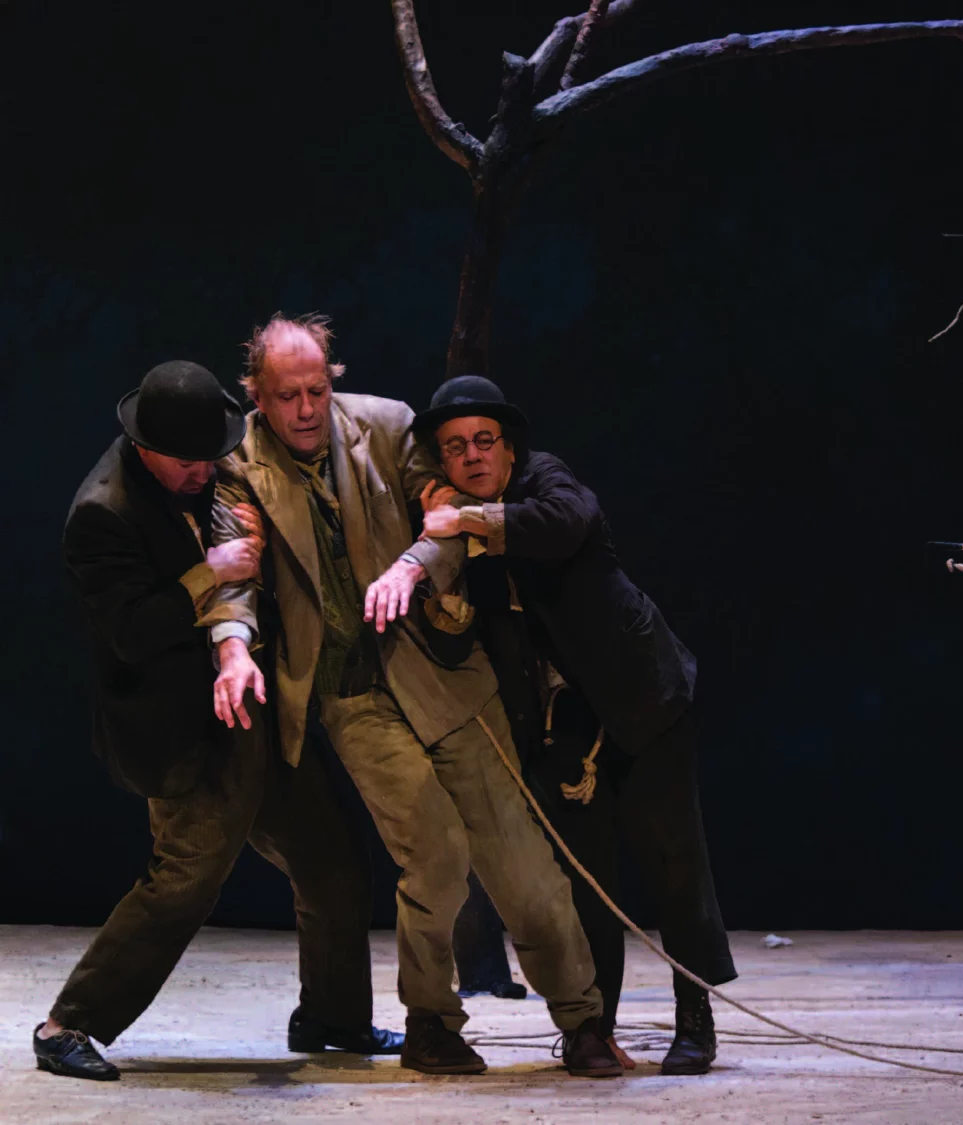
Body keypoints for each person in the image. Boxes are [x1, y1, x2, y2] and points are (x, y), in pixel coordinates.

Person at [205, 315, 621, 1077]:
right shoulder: (238, 466)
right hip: (350, 692)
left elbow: (445, 515)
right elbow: (234, 573)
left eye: (317, 389)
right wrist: (232, 649)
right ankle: (431, 1019)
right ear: (257, 395)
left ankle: (582, 1019)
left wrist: (411, 565)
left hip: (441, 670)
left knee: (524, 866)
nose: (306, 408)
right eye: (288, 395)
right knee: (434, 853)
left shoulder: (388, 425)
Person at [35, 361, 398, 1082]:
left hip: (252, 702)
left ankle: (333, 1015)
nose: (204, 472)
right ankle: (66, 1024)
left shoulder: (208, 470)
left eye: (211, 456)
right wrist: (212, 571)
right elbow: (134, 632)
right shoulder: (103, 513)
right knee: (185, 879)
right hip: (181, 726)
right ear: (145, 447)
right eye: (187, 462)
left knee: (332, 857)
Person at [415, 374, 737, 1075]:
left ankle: (695, 1016)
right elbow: (455, 638)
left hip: (642, 700)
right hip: (562, 727)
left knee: (673, 861)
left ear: (509, 446)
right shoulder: (453, 536)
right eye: (455, 447)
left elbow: (564, 522)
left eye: (484, 439)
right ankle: (596, 1026)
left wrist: (469, 521)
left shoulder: (544, 481)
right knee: (585, 882)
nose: (473, 455)